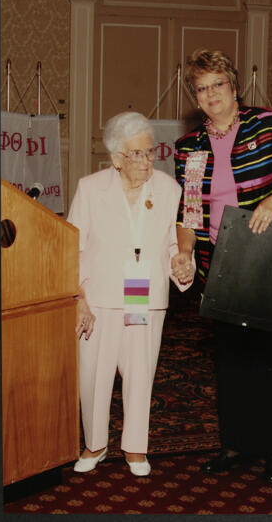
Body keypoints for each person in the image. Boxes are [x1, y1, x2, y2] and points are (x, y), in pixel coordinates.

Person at [173, 49, 272, 483]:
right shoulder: (190, 147)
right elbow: (188, 210)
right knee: (233, 358)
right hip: (223, 264)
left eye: (217, 85)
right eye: (202, 89)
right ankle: (237, 442)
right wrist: (184, 252)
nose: (211, 95)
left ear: (234, 87)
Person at [67, 111, 194, 476]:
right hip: (99, 295)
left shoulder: (169, 189)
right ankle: (95, 443)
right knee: (93, 373)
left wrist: (181, 263)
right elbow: (72, 247)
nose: (145, 160)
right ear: (116, 159)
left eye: (149, 151)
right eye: (135, 153)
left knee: (141, 371)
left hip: (143, 292)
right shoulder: (90, 188)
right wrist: (79, 299)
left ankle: (136, 448)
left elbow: (175, 244)